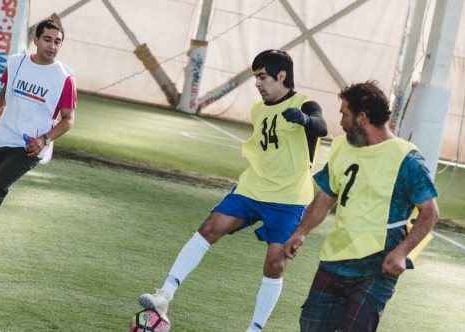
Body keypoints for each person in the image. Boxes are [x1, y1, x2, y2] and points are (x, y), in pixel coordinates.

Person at [139, 49, 328, 331]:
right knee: (211, 226)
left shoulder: (306, 103)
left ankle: (254, 329)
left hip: (289, 198)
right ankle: (165, 294)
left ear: (281, 75)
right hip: (252, 187)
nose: (258, 83)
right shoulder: (258, 109)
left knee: (275, 265)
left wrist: (304, 120)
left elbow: (322, 126)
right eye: (255, 77)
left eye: (262, 77)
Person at [283, 81, 440, 331]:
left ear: (362, 117)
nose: (341, 121)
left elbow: (430, 212)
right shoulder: (343, 148)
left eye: (345, 114)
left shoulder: (406, 159)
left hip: (377, 266)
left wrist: (402, 252)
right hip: (335, 258)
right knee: (311, 326)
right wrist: (301, 231)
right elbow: (325, 198)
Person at [0, 19, 76, 260]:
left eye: (57, 42)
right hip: (1, 137)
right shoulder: (16, 63)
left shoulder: (65, 78)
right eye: (47, 39)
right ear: (36, 40)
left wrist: (44, 139)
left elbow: (68, 119)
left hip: (30, 147)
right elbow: (3, 95)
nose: (52, 46)